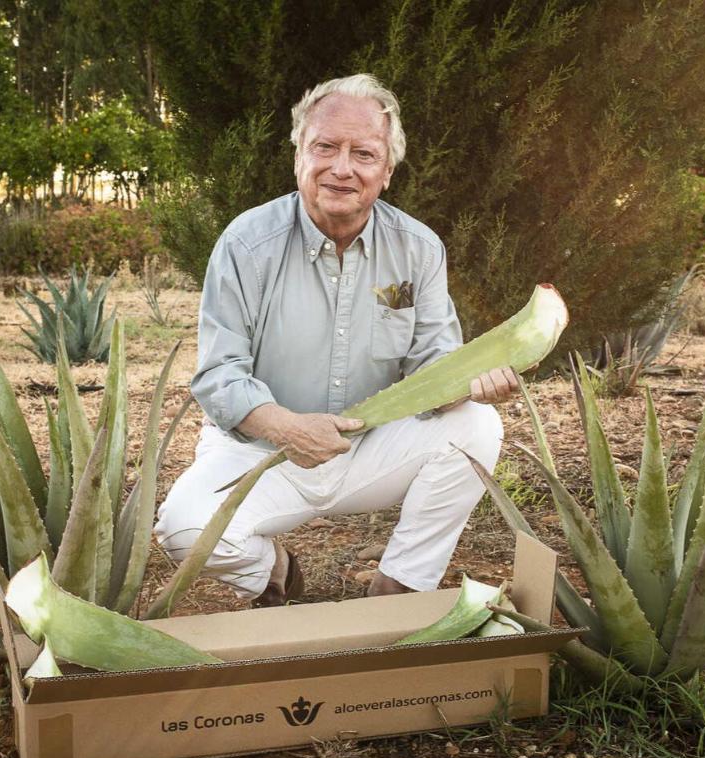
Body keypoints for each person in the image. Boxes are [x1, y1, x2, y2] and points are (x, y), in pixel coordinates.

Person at [154, 74, 518, 607]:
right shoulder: (246, 244)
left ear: (387, 172)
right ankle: (275, 571)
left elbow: (433, 366)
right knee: (183, 530)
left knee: (478, 427)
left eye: (363, 154)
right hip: (263, 450)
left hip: (369, 449)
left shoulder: (418, 249)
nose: (341, 168)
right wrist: (287, 428)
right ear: (299, 154)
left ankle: (397, 590)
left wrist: (469, 383)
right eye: (325, 147)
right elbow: (218, 375)